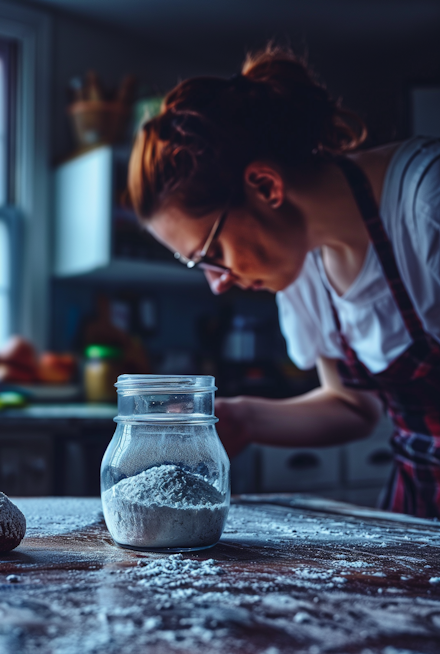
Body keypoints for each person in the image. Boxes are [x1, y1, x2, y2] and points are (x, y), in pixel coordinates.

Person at [127, 45, 440, 519]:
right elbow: (353, 406)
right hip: (418, 501)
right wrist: (240, 418)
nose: (217, 285)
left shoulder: (426, 204)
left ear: (266, 186)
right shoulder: (300, 265)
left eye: (213, 253)